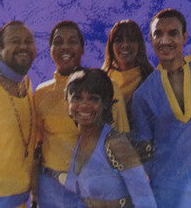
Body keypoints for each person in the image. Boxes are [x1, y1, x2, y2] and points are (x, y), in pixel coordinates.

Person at [34, 21, 130, 207]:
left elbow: (123, 140)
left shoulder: (107, 87)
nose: (65, 47)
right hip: (51, 189)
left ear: (83, 48)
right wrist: (35, 192)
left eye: (72, 41)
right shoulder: (41, 94)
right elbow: (36, 147)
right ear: (51, 49)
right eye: (58, 42)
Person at [130, 9, 191, 208]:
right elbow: (144, 151)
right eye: (158, 34)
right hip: (166, 194)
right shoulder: (143, 95)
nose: (165, 40)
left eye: (173, 33)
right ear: (151, 39)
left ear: (185, 37)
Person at [62, 69, 157, 208]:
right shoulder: (80, 141)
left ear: (105, 103)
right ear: (67, 102)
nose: (84, 105)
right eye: (77, 98)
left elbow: (145, 199)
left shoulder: (115, 143)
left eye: (93, 98)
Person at [0, 20, 38, 207]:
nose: (23, 46)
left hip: (21, 199)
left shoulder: (27, 83)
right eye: (15, 41)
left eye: (28, 41)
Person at [102, 20, 154, 105]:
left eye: (131, 40)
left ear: (139, 45)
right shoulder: (101, 79)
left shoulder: (152, 81)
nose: (125, 45)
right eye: (119, 40)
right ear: (111, 46)